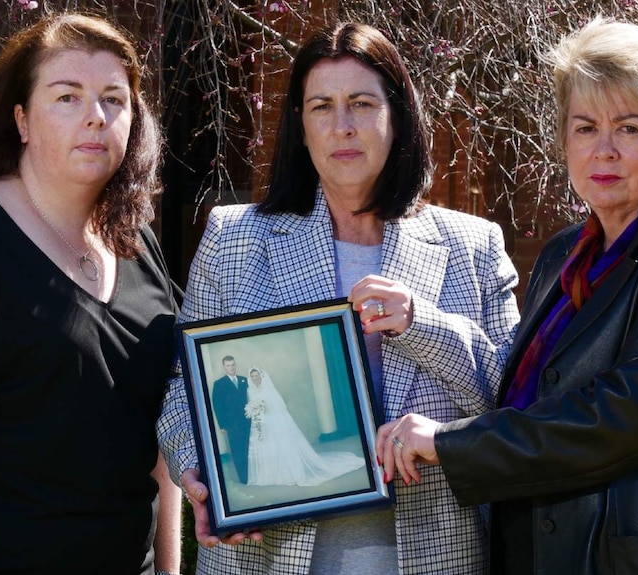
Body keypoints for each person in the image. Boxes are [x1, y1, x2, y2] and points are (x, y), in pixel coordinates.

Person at [377, 17, 638, 575]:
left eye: (628, 128)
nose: (603, 150)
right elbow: (520, 390)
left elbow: (617, 419)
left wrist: (451, 443)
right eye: (584, 128)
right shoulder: (565, 254)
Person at [157, 22, 520, 575]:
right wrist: (200, 470)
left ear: (397, 119)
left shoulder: (473, 245)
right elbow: (180, 382)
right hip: (267, 556)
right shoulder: (234, 237)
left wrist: (423, 325)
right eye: (321, 106)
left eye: (362, 103)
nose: (342, 126)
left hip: (432, 556)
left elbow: (517, 403)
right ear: (300, 128)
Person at [0, 13, 182, 575]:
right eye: (67, 97)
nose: (95, 117)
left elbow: (163, 429)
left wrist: (169, 568)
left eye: (113, 99)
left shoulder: (138, 242)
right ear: (21, 120)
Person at [244, 367, 364, 487]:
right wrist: (254, 410)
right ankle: (270, 472)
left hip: (274, 420)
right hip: (261, 423)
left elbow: (279, 406)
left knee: (282, 444)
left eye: (256, 375)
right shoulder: (250, 390)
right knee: (267, 445)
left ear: (261, 376)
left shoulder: (268, 389)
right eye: (252, 376)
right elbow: (250, 404)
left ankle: (289, 472)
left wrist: (264, 407)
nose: (255, 378)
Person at [211, 355, 251, 484]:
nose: (231, 367)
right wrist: (222, 425)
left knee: (249, 448)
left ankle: (253, 475)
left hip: (247, 420)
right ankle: (244, 478)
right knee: (237, 450)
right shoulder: (219, 384)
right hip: (232, 424)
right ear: (224, 367)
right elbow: (217, 405)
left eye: (233, 365)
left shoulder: (244, 380)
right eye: (228, 365)